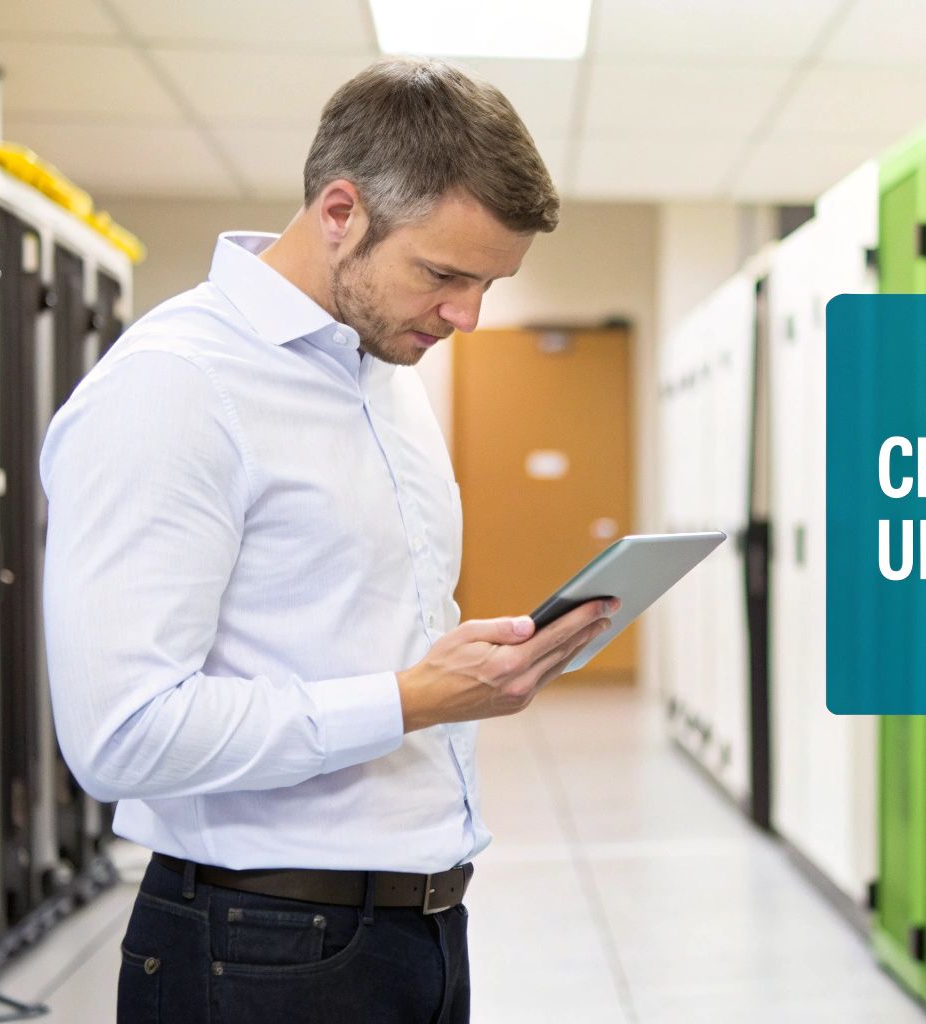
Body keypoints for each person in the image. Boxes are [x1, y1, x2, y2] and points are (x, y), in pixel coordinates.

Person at [39, 56, 608, 1023]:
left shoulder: (383, 375)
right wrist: (411, 699)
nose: (467, 317)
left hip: (419, 928)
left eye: (488, 285)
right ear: (340, 211)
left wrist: (472, 668)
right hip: (256, 950)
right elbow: (122, 736)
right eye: (443, 275)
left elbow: (361, 621)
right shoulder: (177, 387)